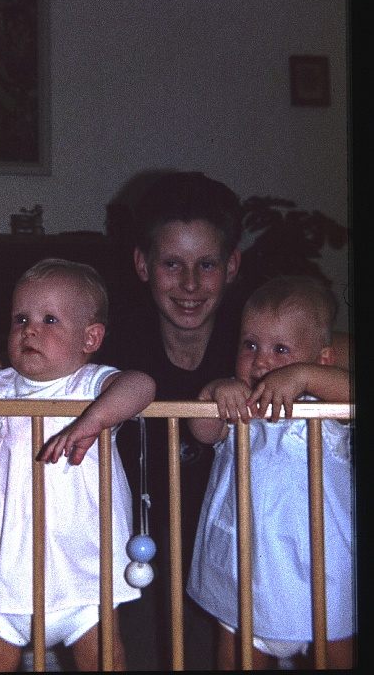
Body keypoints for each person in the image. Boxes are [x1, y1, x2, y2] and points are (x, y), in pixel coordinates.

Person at [0, 171, 350, 669]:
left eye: (207, 265)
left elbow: (340, 356)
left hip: (235, 557)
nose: (191, 284)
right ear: (142, 265)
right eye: (172, 264)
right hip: (110, 554)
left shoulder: (260, 340)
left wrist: (305, 371)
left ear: (233, 265)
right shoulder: (106, 334)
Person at [0, 259, 156, 672]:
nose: (30, 329)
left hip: (86, 580)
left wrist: (93, 420)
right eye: (21, 318)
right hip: (5, 575)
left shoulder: (90, 386)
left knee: (104, 661)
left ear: (91, 338)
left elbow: (142, 386)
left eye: (50, 319)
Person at [186, 276, 355, 670]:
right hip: (243, 568)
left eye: (281, 349)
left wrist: (305, 377)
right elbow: (202, 430)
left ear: (323, 360)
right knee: (235, 654)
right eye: (250, 345)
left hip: (317, 572)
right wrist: (213, 392)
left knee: (338, 656)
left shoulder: (321, 409)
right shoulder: (239, 405)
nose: (261, 361)